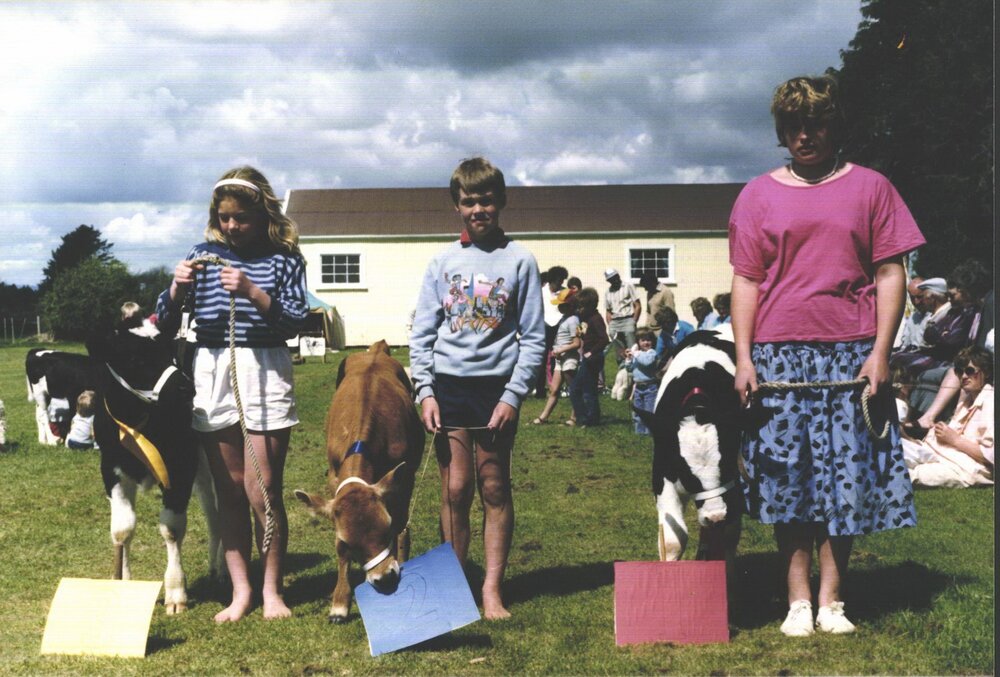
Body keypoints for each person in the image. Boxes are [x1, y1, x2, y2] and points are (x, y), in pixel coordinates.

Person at [730, 75, 924, 637]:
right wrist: (745, 359)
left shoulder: (872, 188)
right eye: (793, 126)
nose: (804, 134)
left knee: (846, 479)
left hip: (851, 355)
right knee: (788, 478)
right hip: (778, 358)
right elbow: (746, 280)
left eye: (815, 123)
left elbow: (892, 272)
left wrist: (880, 354)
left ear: (833, 125)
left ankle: (832, 600)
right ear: (781, 131)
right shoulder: (756, 195)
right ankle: (796, 601)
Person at [156, 166, 308, 622]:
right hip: (213, 368)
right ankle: (241, 592)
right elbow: (163, 320)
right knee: (229, 491)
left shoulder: (285, 258)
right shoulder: (203, 255)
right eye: (224, 218)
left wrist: (253, 292)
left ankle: (272, 591)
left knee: (262, 491)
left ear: (262, 214)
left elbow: (295, 321)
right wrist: (175, 287)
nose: (231, 227)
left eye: (240, 217)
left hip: (263, 370)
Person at [409, 157, 545, 620]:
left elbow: (534, 337)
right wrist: (424, 390)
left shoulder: (520, 260)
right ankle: (454, 586)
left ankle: (491, 589)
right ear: (457, 207)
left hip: (496, 390)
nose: (478, 209)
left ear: (501, 202)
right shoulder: (442, 261)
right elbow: (423, 332)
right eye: (468, 201)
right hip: (448, 387)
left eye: (486, 200)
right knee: (455, 489)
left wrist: (513, 395)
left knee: (493, 487)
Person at [902, 347, 993, 488]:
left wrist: (954, 439)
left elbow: (991, 456)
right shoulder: (968, 398)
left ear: (986, 372)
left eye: (969, 371)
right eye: (960, 371)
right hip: (936, 453)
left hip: (963, 467)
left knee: (908, 473)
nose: (963, 376)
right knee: (896, 447)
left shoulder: (991, 402)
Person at [534, 289, 580, 425]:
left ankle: (575, 417)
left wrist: (561, 350)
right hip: (561, 359)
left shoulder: (573, 320)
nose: (559, 307)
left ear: (570, 305)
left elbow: (577, 343)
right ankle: (543, 417)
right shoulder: (564, 318)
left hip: (569, 358)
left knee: (574, 389)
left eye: (562, 304)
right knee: (554, 389)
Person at [569, 287, 610, 427]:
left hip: (593, 358)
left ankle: (584, 418)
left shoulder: (596, 319)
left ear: (590, 306)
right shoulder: (586, 318)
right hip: (589, 358)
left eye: (581, 307)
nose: (579, 310)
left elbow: (604, 339)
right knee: (589, 390)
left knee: (576, 389)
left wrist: (591, 352)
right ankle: (593, 419)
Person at [537, 265, 569, 397]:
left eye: (562, 280)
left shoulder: (565, 292)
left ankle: (560, 388)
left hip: (560, 326)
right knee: (541, 360)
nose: (560, 283)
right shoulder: (540, 291)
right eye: (557, 280)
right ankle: (540, 390)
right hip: (544, 326)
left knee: (560, 358)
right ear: (551, 280)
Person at [604, 269, 641, 368]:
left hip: (628, 319)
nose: (614, 280)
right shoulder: (608, 292)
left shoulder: (628, 286)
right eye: (611, 279)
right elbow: (608, 310)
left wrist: (634, 321)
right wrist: (610, 323)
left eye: (615, 277)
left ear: (618, 275)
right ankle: (622, 368)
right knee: (619, 348)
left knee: (632, 347)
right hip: (614, 321)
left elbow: (637, 305)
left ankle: (634, 370)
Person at [626, 329, 659, 435]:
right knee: (637, 411)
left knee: (648, 411)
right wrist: (628, 359)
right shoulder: (637, 354)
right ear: (638, 343)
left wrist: (635, 353)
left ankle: (649, 432)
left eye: (648, 340)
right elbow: (630, 369)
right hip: (638, 388)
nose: (646, 343)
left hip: (650, 388)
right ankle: (639, 432)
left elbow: (646, 362)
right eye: (643, 340)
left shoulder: (652, 353)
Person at [637, 271, 675, 336]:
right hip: (651, 330)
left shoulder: (666, 292)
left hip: (662, 330)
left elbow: (671, 313)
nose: (645, 289)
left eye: (646, 287)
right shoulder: (650, 292)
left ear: (652, 283)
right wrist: (647, 327)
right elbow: (649, 311)